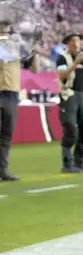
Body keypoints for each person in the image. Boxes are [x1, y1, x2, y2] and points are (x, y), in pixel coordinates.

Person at [0, 20, 39, 181]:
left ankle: (3, 170)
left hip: (11, 93)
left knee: (6, 134)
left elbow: (34, 69)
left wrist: (34, 51)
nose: (4, 29)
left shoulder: (17, 48)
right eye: (1, 26)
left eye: (6, 26)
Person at [56, 33, 83, 173]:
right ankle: (67, 163)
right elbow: (61, 75)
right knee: (70, 127)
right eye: (72, 41)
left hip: (82, 94)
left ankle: (79, 162)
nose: (75, 43)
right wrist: (76, 63)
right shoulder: (62, 57)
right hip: (69, 94)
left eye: (77, 40)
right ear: (67, 43)